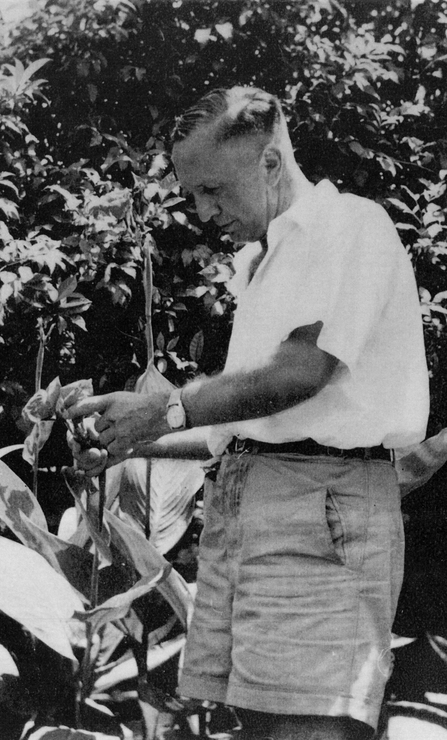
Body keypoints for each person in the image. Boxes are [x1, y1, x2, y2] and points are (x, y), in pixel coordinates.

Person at [64, 86, 430, 740]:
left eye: (214, 190)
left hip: (323, 509)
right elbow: (235, 433)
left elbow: (301, 374)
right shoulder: (261, 265)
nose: (204, 212)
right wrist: (130, 440)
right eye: (194, 195)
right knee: (262, 725)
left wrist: (163, 407)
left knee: (309, 728)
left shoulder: (349, 226)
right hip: (256, 508)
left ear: (268, 163)